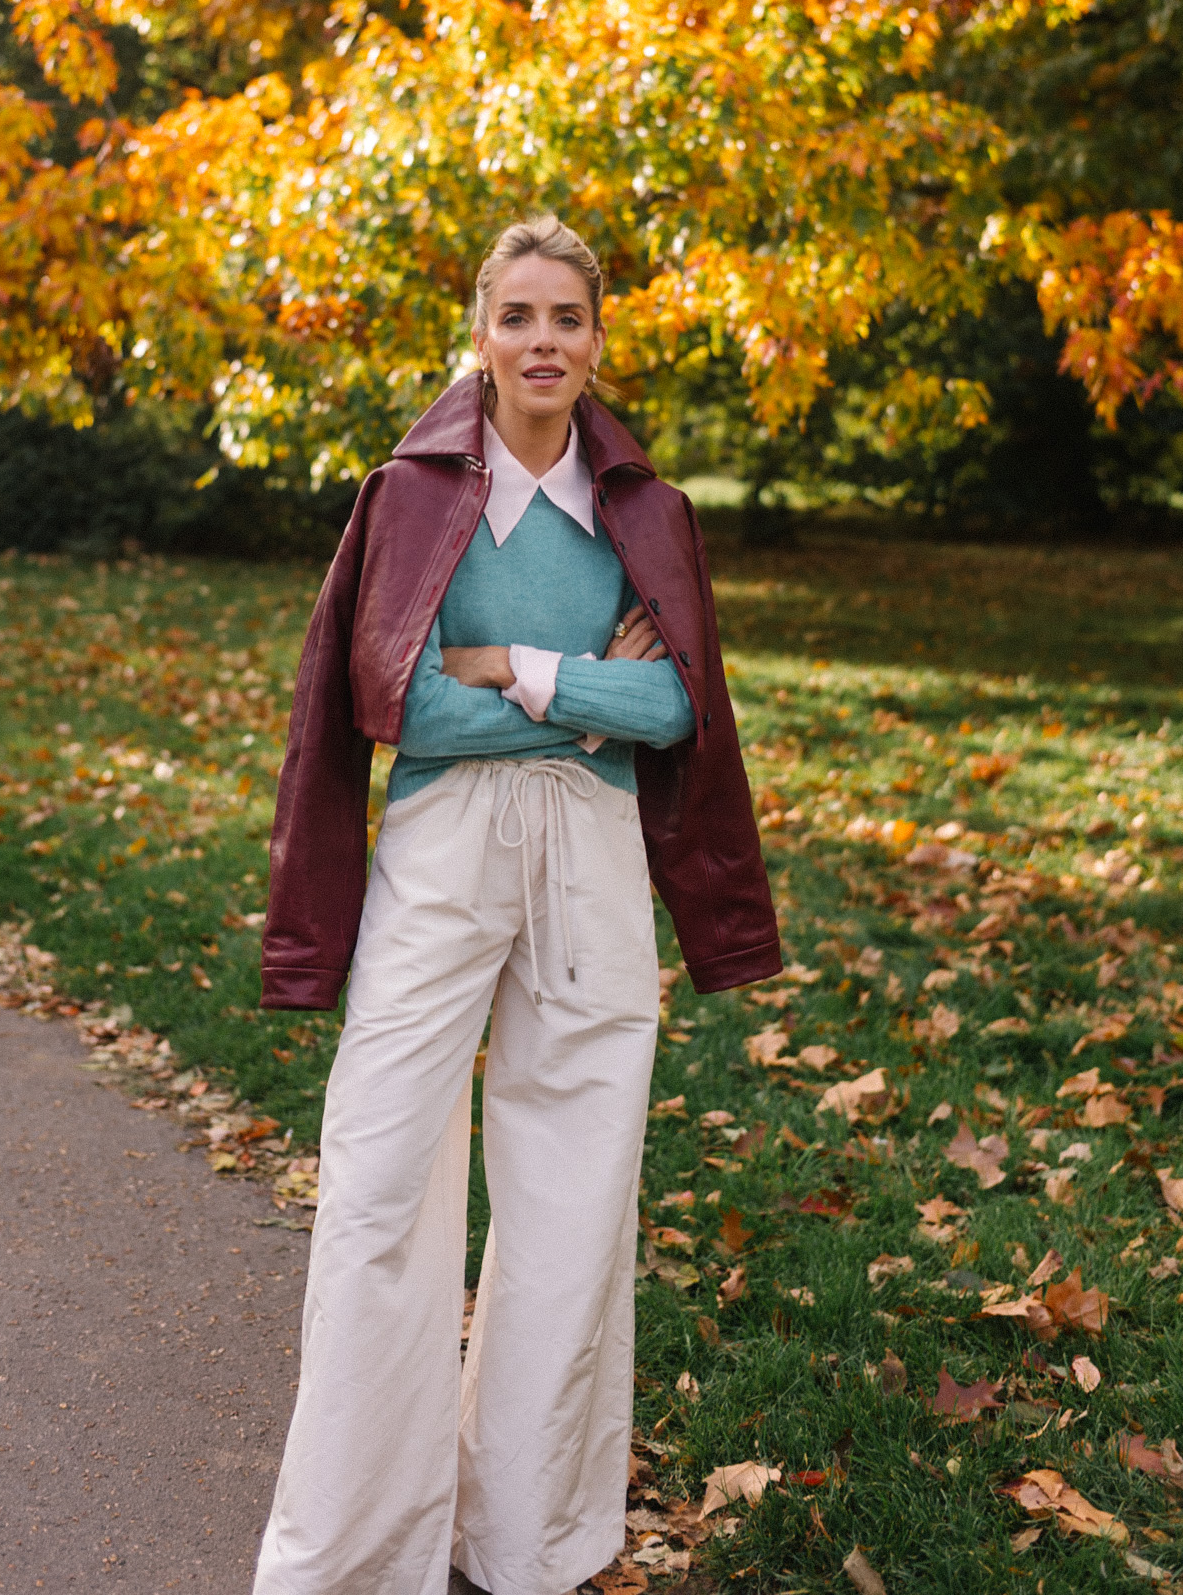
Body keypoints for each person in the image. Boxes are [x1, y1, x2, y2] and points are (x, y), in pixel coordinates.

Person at [253, 212, 780, 1595]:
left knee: (574, 1200)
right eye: (519, 317)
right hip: (441, 861)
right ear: (480, 335)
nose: (544, 342)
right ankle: (356, 1554)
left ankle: (528, 1542)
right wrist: (577, 692)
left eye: (569, 320)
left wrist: (509, 665)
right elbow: (400, 707)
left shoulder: (645, 513)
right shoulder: (413, 494)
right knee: (376, 1181)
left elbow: (675, 705)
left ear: (598, 340)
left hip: (596, 872)